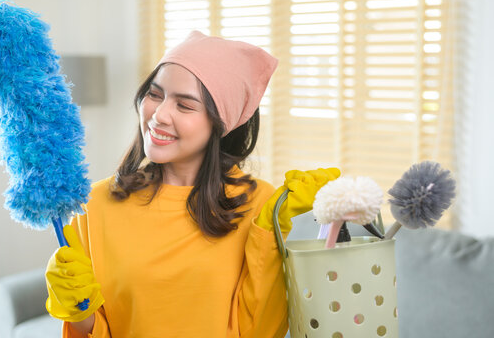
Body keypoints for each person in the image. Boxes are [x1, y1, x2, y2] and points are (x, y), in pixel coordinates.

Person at [44, 30, 340, 337]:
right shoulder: (95, 203)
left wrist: (269, 233)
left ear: (220, 123)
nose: (158, 115)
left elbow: (261, 330)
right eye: (155, 94)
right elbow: (96, 330)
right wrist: (77, 311)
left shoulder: (259, 204)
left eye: (184, 106)